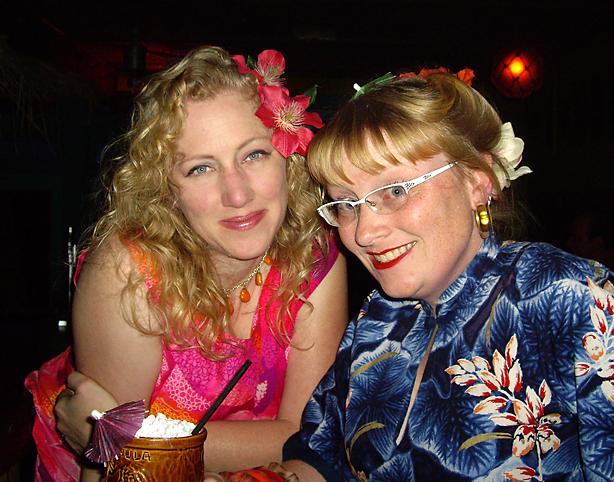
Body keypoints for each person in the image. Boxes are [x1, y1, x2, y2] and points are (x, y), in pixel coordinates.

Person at [228, 67, 613, 481]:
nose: (364, 232)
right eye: (346, 204)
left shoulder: (573, 299)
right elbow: (322, 457)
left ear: (477, 182)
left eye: (395, 191)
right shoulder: (376, 320)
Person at [24, 46, 347, 481]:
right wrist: (125, 445)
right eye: (200, 169)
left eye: (254, 154)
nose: (237, 194)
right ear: (165, 189)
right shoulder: (127, 273)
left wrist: (134, 439)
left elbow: (304, 433)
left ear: (289, 160)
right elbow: (106, 465)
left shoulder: (313, 257)